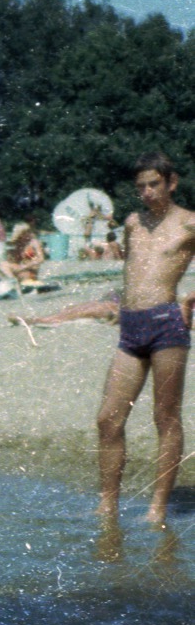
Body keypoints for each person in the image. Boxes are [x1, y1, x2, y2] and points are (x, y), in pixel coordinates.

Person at [96, 153, 195, 526]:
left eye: (154, 184)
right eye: (140, 186)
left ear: (171, 182)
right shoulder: (133, 222)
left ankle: (157, 509)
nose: (147, 192)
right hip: (130, 328)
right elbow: (132, 271)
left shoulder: (189, 223)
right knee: (108, 419)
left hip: (167, 325)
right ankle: (108, 507)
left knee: (165, 417)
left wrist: (190, 296)